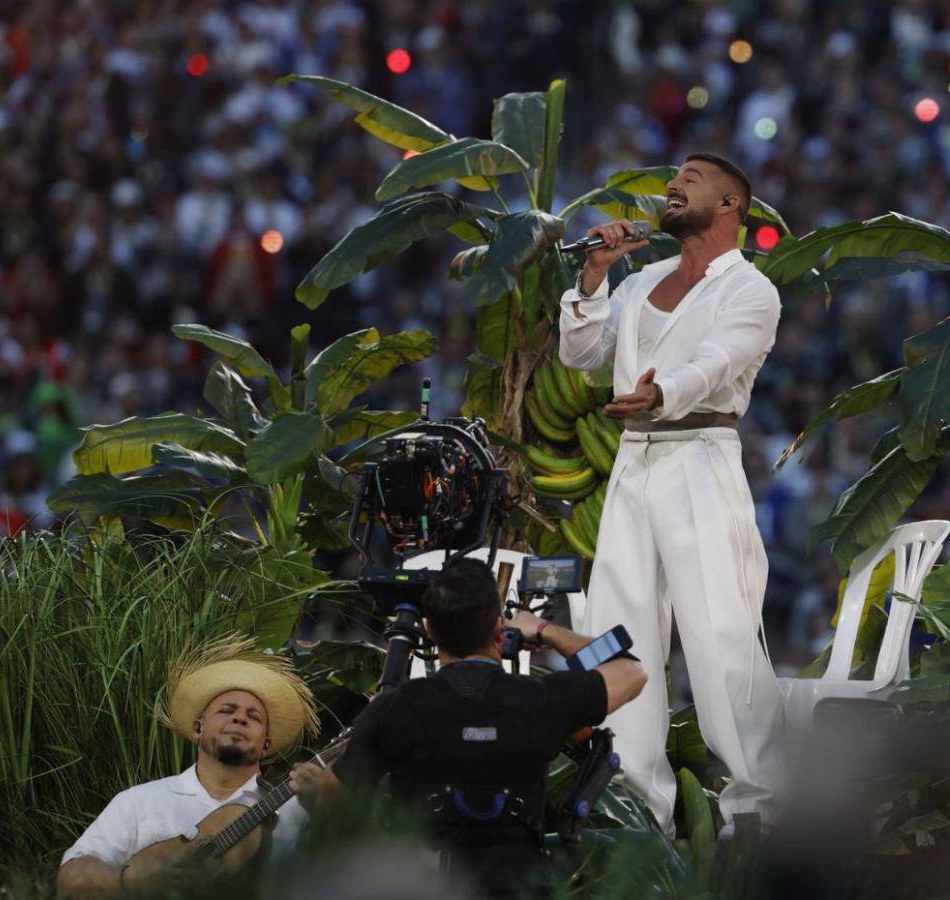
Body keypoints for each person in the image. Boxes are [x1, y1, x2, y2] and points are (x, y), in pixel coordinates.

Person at [557, 152, 787, 837]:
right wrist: (595, 276)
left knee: (720, 637)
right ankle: (633, 813)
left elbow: (718, 362)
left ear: (729, 206)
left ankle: (761, 818)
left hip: (699, 456)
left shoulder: (750, 290)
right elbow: (582, 354)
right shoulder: (644, 278)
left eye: (691, 179)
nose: (672, 186)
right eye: (672, 179)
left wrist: (662, 393)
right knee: (618, 632)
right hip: (634, 463)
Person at [289, 557, 647, 895]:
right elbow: (631, 671)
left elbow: (334, 805)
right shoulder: (542, 700)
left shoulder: (392, 709)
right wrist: (543, 629)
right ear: (497, 628)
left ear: (429, 630)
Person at [57, 636, 320, 898]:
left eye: (254, 717)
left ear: (265, 745)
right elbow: (79, 869)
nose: (240, 718)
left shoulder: (296, 809)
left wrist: (327, 804)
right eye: (227, 711)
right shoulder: (138, 801)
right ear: (198, 728)